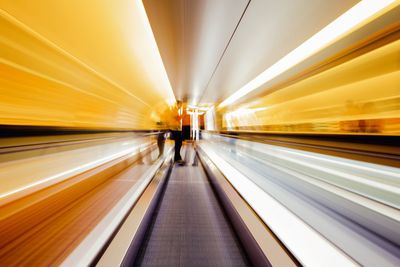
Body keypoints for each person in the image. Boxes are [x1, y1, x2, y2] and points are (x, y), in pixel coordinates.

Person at [166, 100, 185, 165]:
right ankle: (177, 158)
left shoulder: (174, 109)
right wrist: (183, 115)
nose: (181, 106)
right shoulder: (174, 109)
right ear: (178, 104)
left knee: (179, 143)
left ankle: (177, 157)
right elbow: (177, 118)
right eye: (181, 105)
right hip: (175, 129)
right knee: (178, 143)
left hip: (175, 128)